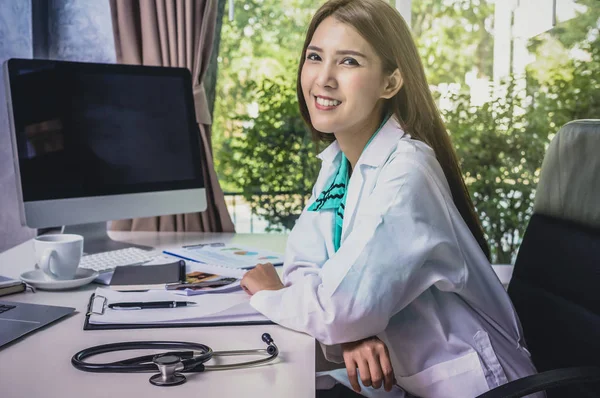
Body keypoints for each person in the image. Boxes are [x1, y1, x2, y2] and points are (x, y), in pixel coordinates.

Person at [240, 0, 543, 397]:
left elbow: (337, 307)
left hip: (478, 388)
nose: (324, 78)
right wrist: (349, 334)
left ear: (390, 83)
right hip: (407, 383)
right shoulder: (339, 164)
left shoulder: (406, 174)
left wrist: (273, 294)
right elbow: (305, 270)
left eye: (348, 62)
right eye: (315, 57)